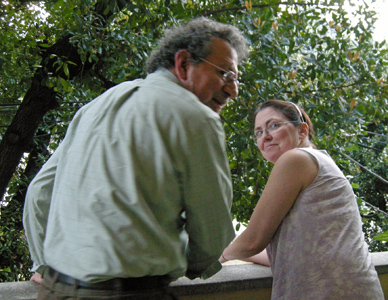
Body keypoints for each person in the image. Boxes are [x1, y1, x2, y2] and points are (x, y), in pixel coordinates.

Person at [23, 17, 249, 300]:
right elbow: (212, 233)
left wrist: (49, 267)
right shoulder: (196, 118)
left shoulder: (95, 107)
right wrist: (183, 266)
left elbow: (39, 193)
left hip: (57, 290)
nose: (233, 89)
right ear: (182, 64)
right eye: (225, 74)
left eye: (236, 78)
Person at [220, 99, 384, 299]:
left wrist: (219, 255)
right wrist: (235, 251)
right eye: (259, 132)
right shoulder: (318, 161)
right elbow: (284, 255)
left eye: (274, 125)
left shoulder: (296, 159)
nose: (266, 137)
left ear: (302, 131)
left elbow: (253, 241)